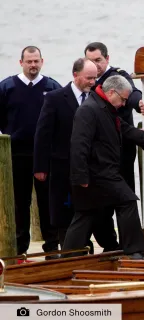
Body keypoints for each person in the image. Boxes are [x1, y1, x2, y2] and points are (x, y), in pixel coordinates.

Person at [62, 75, 144, 259]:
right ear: (111, 92)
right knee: (127, 200)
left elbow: (125, 129)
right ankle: (134, 252)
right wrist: (80, 178)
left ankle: (67, 258)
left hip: (101, 172)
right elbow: (78, 146)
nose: (123, 104)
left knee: (85, 215)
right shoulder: (89, 110)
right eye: (123, 99)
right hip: (96, 173)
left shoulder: (105, 107)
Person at [33, 58, 119, 252]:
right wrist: (40, 167)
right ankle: (70, 250)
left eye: (95, 78)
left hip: (92, 168)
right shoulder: (55, 98)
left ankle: (106, 247)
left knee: (97, 210)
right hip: (63, 166)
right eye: (89, 78)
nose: (93, 82)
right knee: (64, 212)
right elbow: (43, 134)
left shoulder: (98, 98)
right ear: (75, 75)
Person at [0, 46, 60, 256]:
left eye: (36, 61)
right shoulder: (7, 87)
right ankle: (19, 248)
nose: (33, 65)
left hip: (45, 155)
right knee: (19, 202)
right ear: (21, 63)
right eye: (29, 61)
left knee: (47, 201)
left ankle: (52, 246)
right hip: (15, 155)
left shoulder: (52, 87)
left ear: (42, 62)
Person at [84, 42, 144, 192]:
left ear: (107, 59)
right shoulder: (86, 79)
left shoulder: (118, 75)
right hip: (98, 149)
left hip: (121, 146)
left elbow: (132, 91)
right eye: (90, 61)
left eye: (98, 60)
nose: (95, 65)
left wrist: (139, 104)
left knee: (125, 193)